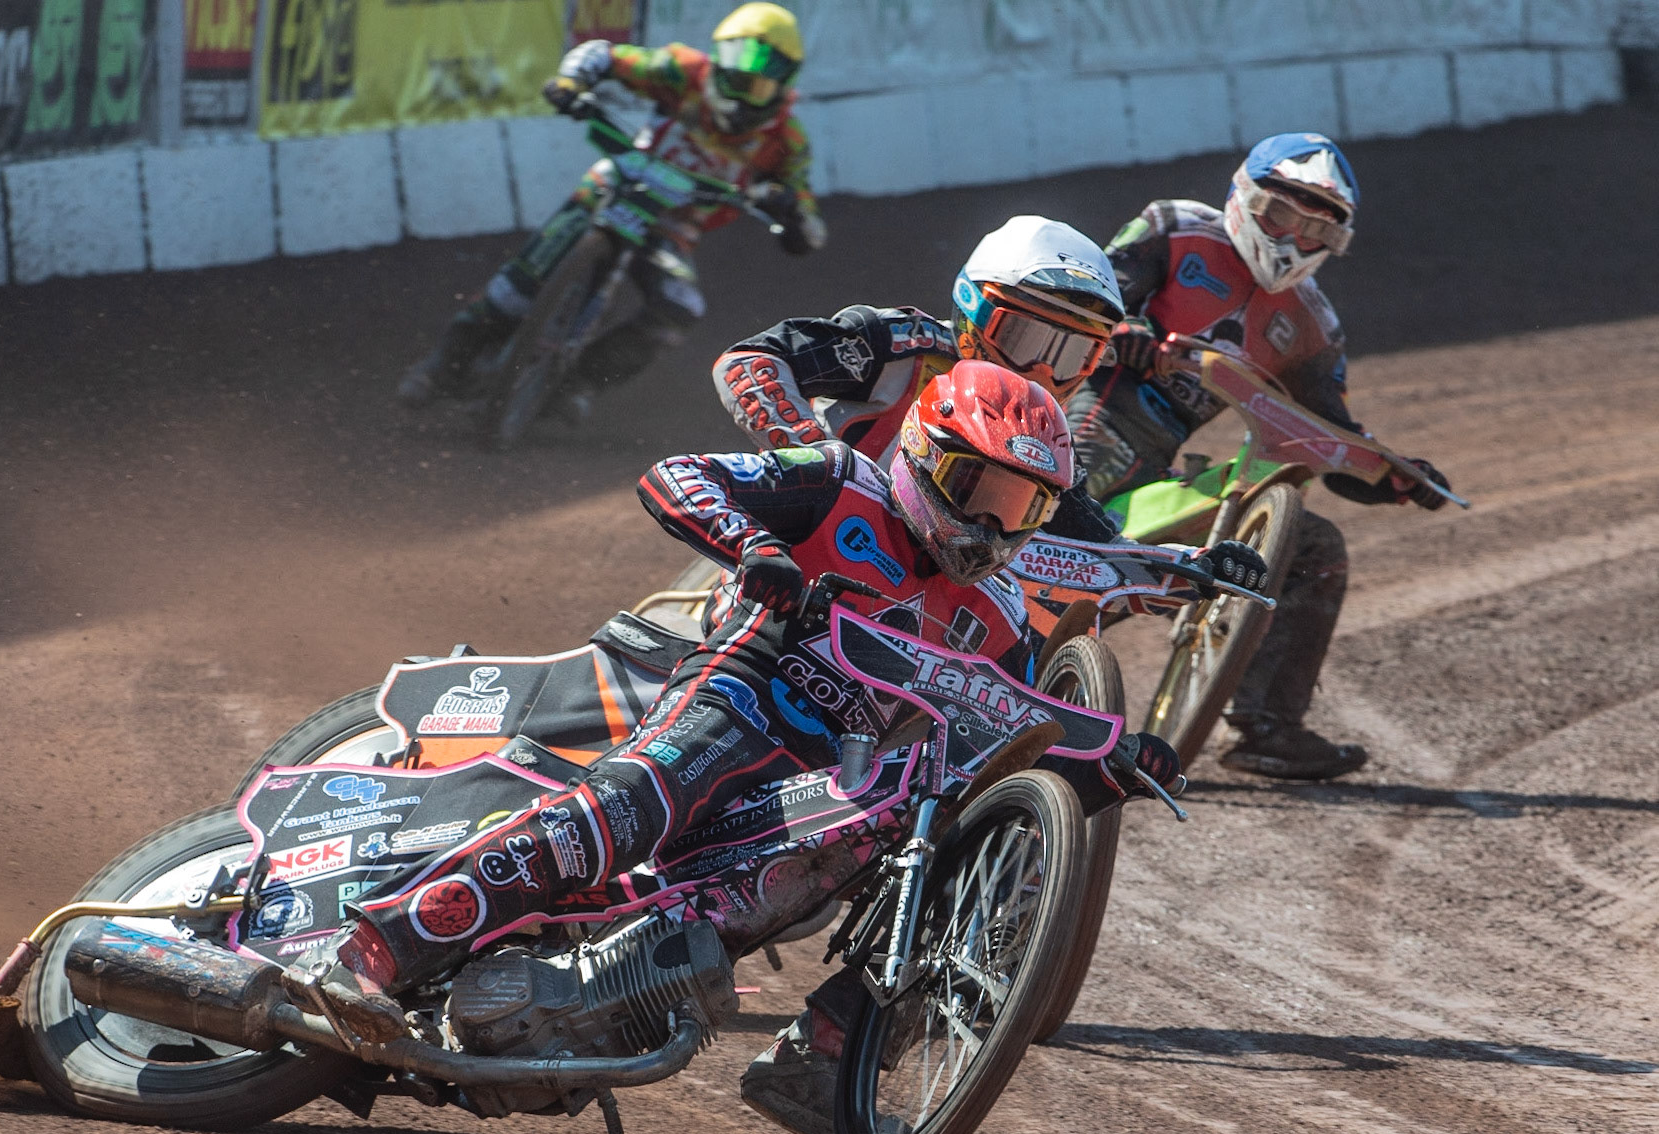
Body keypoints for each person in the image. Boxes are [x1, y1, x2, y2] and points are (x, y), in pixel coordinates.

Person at [324, 362, 1267, 1134]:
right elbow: (677, 474)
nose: (993, 525)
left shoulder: (1002, 616)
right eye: (980, 492)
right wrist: (754, 549)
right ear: (927, 459)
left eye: (1023, 506)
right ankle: (380, 946)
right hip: (745, 689)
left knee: (952, 880)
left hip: (834, 787)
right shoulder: (839, 480)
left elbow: (1007, 732)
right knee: (632, 807)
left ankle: (820, 1058)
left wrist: (1110, 764)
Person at [1065, 132, 1453, 781]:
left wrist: (1397, 478)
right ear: (1245, 200)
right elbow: (1084, 298)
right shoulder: (1174, 228)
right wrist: (1120, 329)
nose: (1293, 241)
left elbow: (1326, 439)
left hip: (1157, 463)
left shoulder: (1310, 325)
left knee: (1309, 543)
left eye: (1314, 232)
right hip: (1078, 418)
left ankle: (1267, 727)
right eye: (1280, 217)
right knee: (1071, 493)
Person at [398, 3, 826, 417]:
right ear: (716, 58)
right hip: (615, 185)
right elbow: (602, 54)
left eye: (758, 84)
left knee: (681, 307)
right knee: (515, 287)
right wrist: (570, 82)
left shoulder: (787, 140)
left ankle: (577, 384)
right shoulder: (682, 70)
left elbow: (806, 212)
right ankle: (441, 367)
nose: (742, 89)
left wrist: (792, 214)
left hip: (671, 225)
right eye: (734, 73)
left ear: (784, 82)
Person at [714, 214, 1123, 459]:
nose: (1041, 370)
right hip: (808, 556)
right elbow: (750, 360)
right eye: (1027, 339)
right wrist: (816, 459)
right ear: (974, 309)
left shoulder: (1046, 434)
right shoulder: (904, 346)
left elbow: (1084, 539)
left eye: (1073, 355)